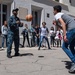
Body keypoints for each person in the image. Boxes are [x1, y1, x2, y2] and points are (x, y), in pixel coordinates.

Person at [53, 5, 75, 73]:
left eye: (53, 10)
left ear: (56, 10)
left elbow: (63, 24)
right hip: (73, 29)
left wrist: (64, 35)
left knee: (64, 46)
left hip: (72, 30)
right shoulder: (63, 15)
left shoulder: (57, 15)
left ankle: (74, 62)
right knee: (71, 46)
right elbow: (64, 26)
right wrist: (57, 25)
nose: (53, 12)